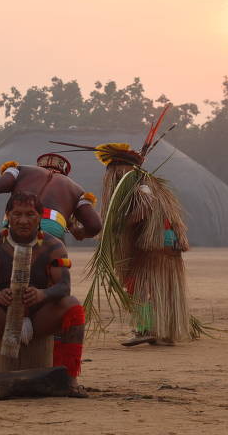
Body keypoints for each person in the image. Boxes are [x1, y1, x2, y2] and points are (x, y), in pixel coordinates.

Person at [53, 112, 192, 346]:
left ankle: (148, 328)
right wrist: (90, 230)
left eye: (115, 171)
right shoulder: (137, 187)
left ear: (122, 170)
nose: (112, 176)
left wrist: (115, 228)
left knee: (142, 287)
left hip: (157, 244)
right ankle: (158, 330)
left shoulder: (142, 187)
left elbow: (145, 210)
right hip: (157, 244)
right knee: (148, 287)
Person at [0, 191, 87, 398]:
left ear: (40, 216)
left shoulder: (54, 246)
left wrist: (42, 295)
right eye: (17, 214)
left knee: (73, 306)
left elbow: (64, 287)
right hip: (1, 318)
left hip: (41, 318)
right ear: (7, 215)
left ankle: (70, 380)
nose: (23, 221)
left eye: (30, 214)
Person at [0, 153, 102, 241]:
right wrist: (79, 232)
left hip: (17, 221)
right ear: (63, 172)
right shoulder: (76, 190)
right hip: (52, 225)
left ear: (40, 166)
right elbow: (95, 226)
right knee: (55, 266)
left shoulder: (20, 170)